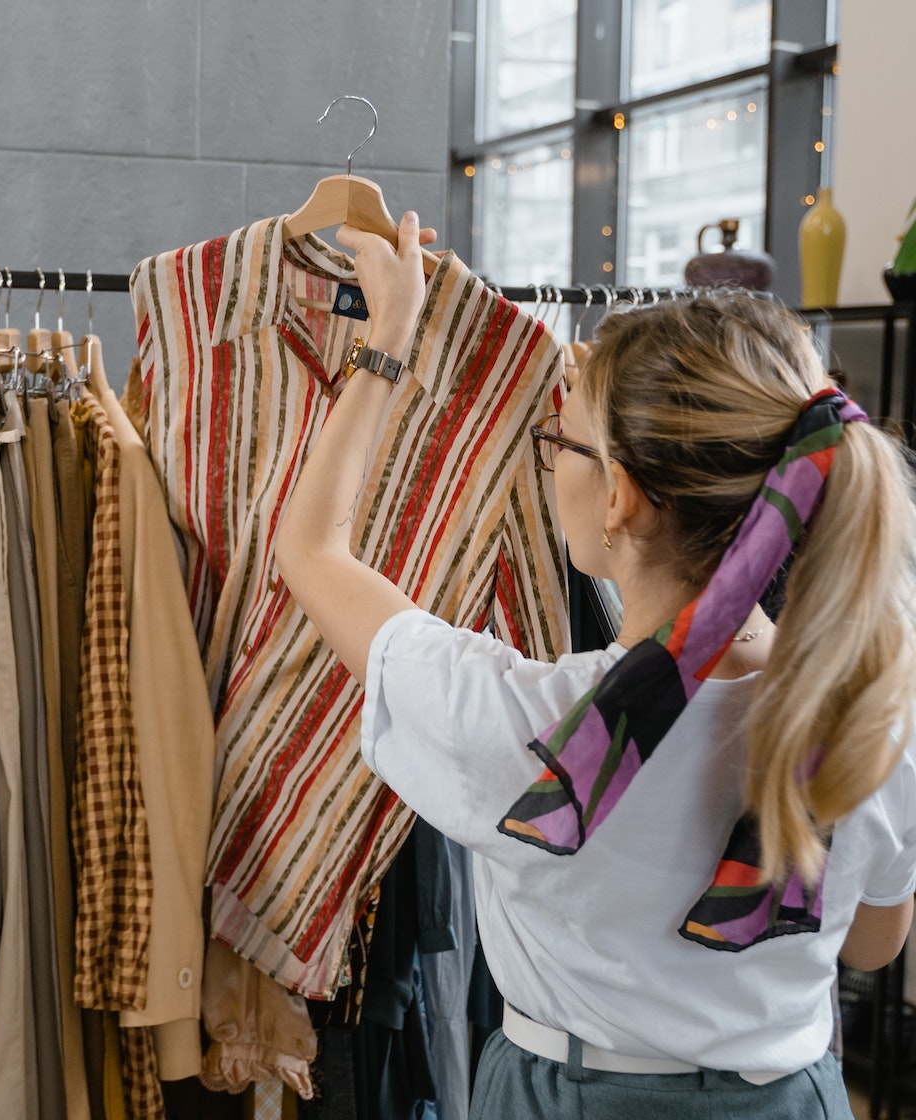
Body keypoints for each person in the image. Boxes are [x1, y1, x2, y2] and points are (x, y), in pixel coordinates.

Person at [273, 210, 916, 1118]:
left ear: (617, 497)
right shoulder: (871, 708)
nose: (550, 462)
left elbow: (311, 553)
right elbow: (875, 946)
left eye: (560, 444)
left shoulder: (526, 733)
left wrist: (387, 340)